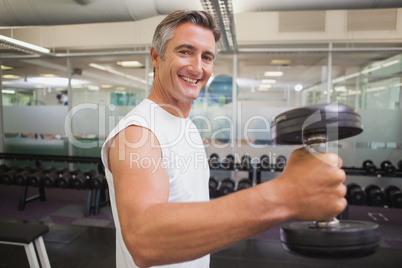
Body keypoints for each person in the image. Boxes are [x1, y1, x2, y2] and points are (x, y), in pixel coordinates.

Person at [101, 10, 347, 268]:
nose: (197, 67)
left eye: (206, 57)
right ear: (156, 56)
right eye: (185, 51)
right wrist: (285, 196)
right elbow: (144, 239)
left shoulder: (186, 126)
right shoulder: (138, 132)